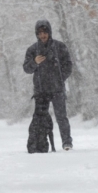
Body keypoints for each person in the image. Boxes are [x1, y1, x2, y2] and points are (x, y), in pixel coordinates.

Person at [23, 20, 74, 150]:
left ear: (49, 32)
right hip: (41, 91)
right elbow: (27, 69)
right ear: (36, 34)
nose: (42, 35)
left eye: (45, 32)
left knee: (61, 117)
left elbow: (68, 65)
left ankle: (67, 142)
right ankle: (40, 142)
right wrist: (34, 62)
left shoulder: (59, 47)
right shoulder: (32, 50)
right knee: (40, 119)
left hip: (57, 89)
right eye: (39, 33)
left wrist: (60, 78)